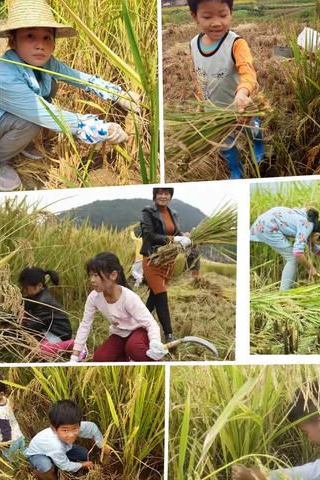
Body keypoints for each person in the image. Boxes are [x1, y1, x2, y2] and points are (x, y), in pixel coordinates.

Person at [0, 0, 139, 191]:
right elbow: (41, 112)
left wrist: (119, 95)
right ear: (13, 41)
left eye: (47, 37)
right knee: (30, 121)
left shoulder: (47, 64)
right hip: (14, 117)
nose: (40, 45)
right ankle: (0, 161)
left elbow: (80, 78)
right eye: (30, 36)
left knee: (51, 85)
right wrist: (101, 128)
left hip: (16, 116)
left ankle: (19, 142)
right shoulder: (3, 73)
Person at [187, 0, 264, 179]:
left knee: (249, 130)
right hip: (214, 112)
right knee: (225, 143)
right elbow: (201, 77)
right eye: (207, 16)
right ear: (195, 17)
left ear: (231, 13)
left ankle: (258, 138)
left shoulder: (236, 43)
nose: (216, 22)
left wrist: (242, 92)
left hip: (239, 108)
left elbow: (248, 72)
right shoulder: (193, 44)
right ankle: (235, 168)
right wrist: (201, 104)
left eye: (222, 15)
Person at [69, 252, 168, 363]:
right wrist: (74, 357)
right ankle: (127, 362)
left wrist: (155, 342)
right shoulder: (94, 297)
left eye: (96, 275)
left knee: (134, 348)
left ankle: (157, 363)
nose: (92, 280)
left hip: (139, 331)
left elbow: (150, 323)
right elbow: (85, 325)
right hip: (120, 333)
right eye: (90, 275)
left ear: (113, 275)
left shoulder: (129, 297)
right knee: (100, 359)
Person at [140, 187, 200, 343]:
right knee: (161, 295)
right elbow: (149, 235)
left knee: (154, 296)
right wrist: (174, 240)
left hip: (168, 262)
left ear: (170, 196)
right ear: (155, 195)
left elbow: (176, 234)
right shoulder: (148, 212)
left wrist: (184, 237)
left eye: (166, 193)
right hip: (153, 260)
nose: (163, 196)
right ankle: (169, 335)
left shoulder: (173, 213)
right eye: (160, 193)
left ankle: (139, 324)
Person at [250, 207, 320, 291]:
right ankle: (283, 294)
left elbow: (315, 249)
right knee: (292, 258)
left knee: (292, 258)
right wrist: (310, 268)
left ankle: (287, 290)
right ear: (317, 235)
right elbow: (298, 253)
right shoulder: (307, 227)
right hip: (267, 226)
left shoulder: (311, 225)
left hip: (266, 221)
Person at [25, 400, 110, 480]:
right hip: (38, 454)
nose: (71, 435)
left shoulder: (74, 425)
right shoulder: (55, 445)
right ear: (54, 429)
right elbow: (65, 466)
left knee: (84, 453)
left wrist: (102, 445)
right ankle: (38, 473)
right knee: (48, 469)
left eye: (75, 428)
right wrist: (83, 465)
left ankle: (56, 461)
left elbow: (92, 428)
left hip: (58, 451)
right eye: (65, 430)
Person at [18, 267, 75, 358]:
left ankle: (70, 344)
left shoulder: (43, 302)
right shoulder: (35, 296)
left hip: (58, 334)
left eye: (25, 288)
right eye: (22, 287)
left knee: (40, 352)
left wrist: (12, 328)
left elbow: (31, 326)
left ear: (39, 286)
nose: (23, 290)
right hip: (45, 330)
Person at [0, 375, 26, 462]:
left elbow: (5, 429)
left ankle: (22, 471)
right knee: (24, 453)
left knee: (15, 461)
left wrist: (5, 444)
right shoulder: (6, 400)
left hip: (9, 442)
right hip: (18, 435)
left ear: (1, 394)